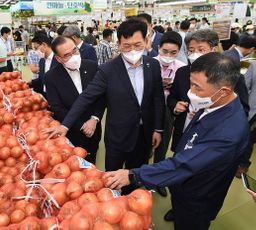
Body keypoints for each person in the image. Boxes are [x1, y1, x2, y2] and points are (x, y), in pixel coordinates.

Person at [103, 53, 250, 230]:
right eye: (191, 84)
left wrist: (133, 175)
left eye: (197, 87)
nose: (191, 93)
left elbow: (185, 165)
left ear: (224, 91)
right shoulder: (215, 104)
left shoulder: (228, 133)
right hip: (183, 185)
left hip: (198, 197)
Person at [43, 18, 165, 195]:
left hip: (144, 134)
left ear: (147, 42)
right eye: (126, 46)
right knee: (111, 179)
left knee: (135, 173)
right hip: (118, 136)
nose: (132, 51)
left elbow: (157, 98)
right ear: (119, 44)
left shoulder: (152, 65)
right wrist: (65, 125)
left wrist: (158, 129)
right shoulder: (108, 70)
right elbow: (87, 96)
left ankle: (130, 199)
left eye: (137, 45)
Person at [165, 29, 250, 222]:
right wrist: (176, 106)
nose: (194, 53)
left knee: (196, 184)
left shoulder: (229, 76)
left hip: (208, 146)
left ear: (213, 49)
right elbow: (174, 97)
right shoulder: (184, 72)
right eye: (191, 49)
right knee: (180, 178)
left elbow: (242, 111)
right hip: (185, 133)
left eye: (200, 49)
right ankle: (177, 207)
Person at [44, 36, 105, 164]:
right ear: (58, 59)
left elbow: (101, 96)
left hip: (94, 127)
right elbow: (57, 108)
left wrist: (94, 119)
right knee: (75, 165)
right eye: (67, 55)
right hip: (72, 131)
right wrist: (82, 125)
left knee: (92, 160)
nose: (74, 56)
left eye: (75, 51)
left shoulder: (92, 66)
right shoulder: (51, 77)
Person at [153, 31, 186, 197]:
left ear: (179, 52)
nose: (168, 56)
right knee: (144, 142)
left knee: (163, 144)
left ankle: (158, 178)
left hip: (168, 111)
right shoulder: (149, 63)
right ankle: (140, 174)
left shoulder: (181, 68)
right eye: (164, 51)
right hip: (149, 108)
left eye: (173, 53)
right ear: (158, 48)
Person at [237, 62, 256, 176]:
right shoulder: (254, 66)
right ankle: (242, 164)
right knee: (249, 137)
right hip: (253, 111)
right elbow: (244, 86)